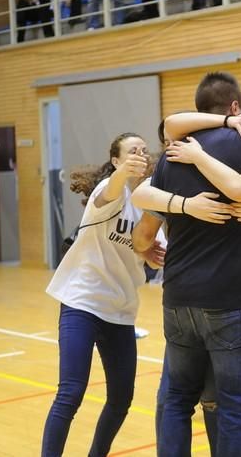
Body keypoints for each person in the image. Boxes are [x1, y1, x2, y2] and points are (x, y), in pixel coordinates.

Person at [131, 72, 241, 457]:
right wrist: (185, 196)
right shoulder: (219, 146)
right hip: (228, 300)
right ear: (232, 111)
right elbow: (148, 191)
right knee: (216, 403)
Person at [41, 132, 165, 457]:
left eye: (143, 150)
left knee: (121, 399)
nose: (140, 155)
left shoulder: (148, 206)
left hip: (120, 311)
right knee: (70, 393)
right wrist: (124, 171)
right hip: (82, 302)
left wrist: (152, 254)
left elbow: (150, 247)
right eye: (131, 151)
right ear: (115, 161)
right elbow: (111, 188)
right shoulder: (109, 191)